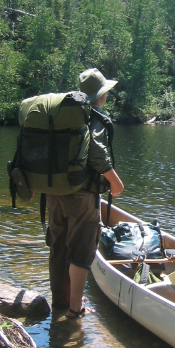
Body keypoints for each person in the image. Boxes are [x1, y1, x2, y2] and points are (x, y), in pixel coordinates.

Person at [46, 68, 124, 318]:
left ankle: (59, 303)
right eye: (105, 94)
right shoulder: (94, 117)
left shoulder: (60, 117)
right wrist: (116, 182)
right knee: (81, 249)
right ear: (100, 96)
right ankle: (75, 309)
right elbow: (98, 154)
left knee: (58, 246)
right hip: (81, 195)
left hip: (53, 193)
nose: (106, 98)